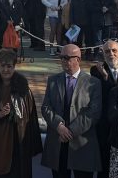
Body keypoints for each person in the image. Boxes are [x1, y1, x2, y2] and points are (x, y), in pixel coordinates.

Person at [0, 48, 43, 178]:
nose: (6, 70)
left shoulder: (23, 89)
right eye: (3, 66)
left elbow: (30, 119)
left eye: (9, 66)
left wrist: (14, 115)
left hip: (16, 141)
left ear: (14, 66)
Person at [41, 43, 101, 178]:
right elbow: (46, 107)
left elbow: (93, 113)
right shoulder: (53, 81)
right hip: (58, 144)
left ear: (78, 60)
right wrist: (59, 126)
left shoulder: (93, 83)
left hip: (82, 145)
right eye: (62, 57)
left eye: (67, 58)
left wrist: (71, 131)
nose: (63, 61)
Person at [90, 39, 118, 174]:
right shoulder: (96, 71)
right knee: (104, 166)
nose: (111, 54)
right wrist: (105, 78)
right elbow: (107, 96)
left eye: (114, 50)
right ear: (103, 54)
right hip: (105, 127)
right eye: (107, 51)